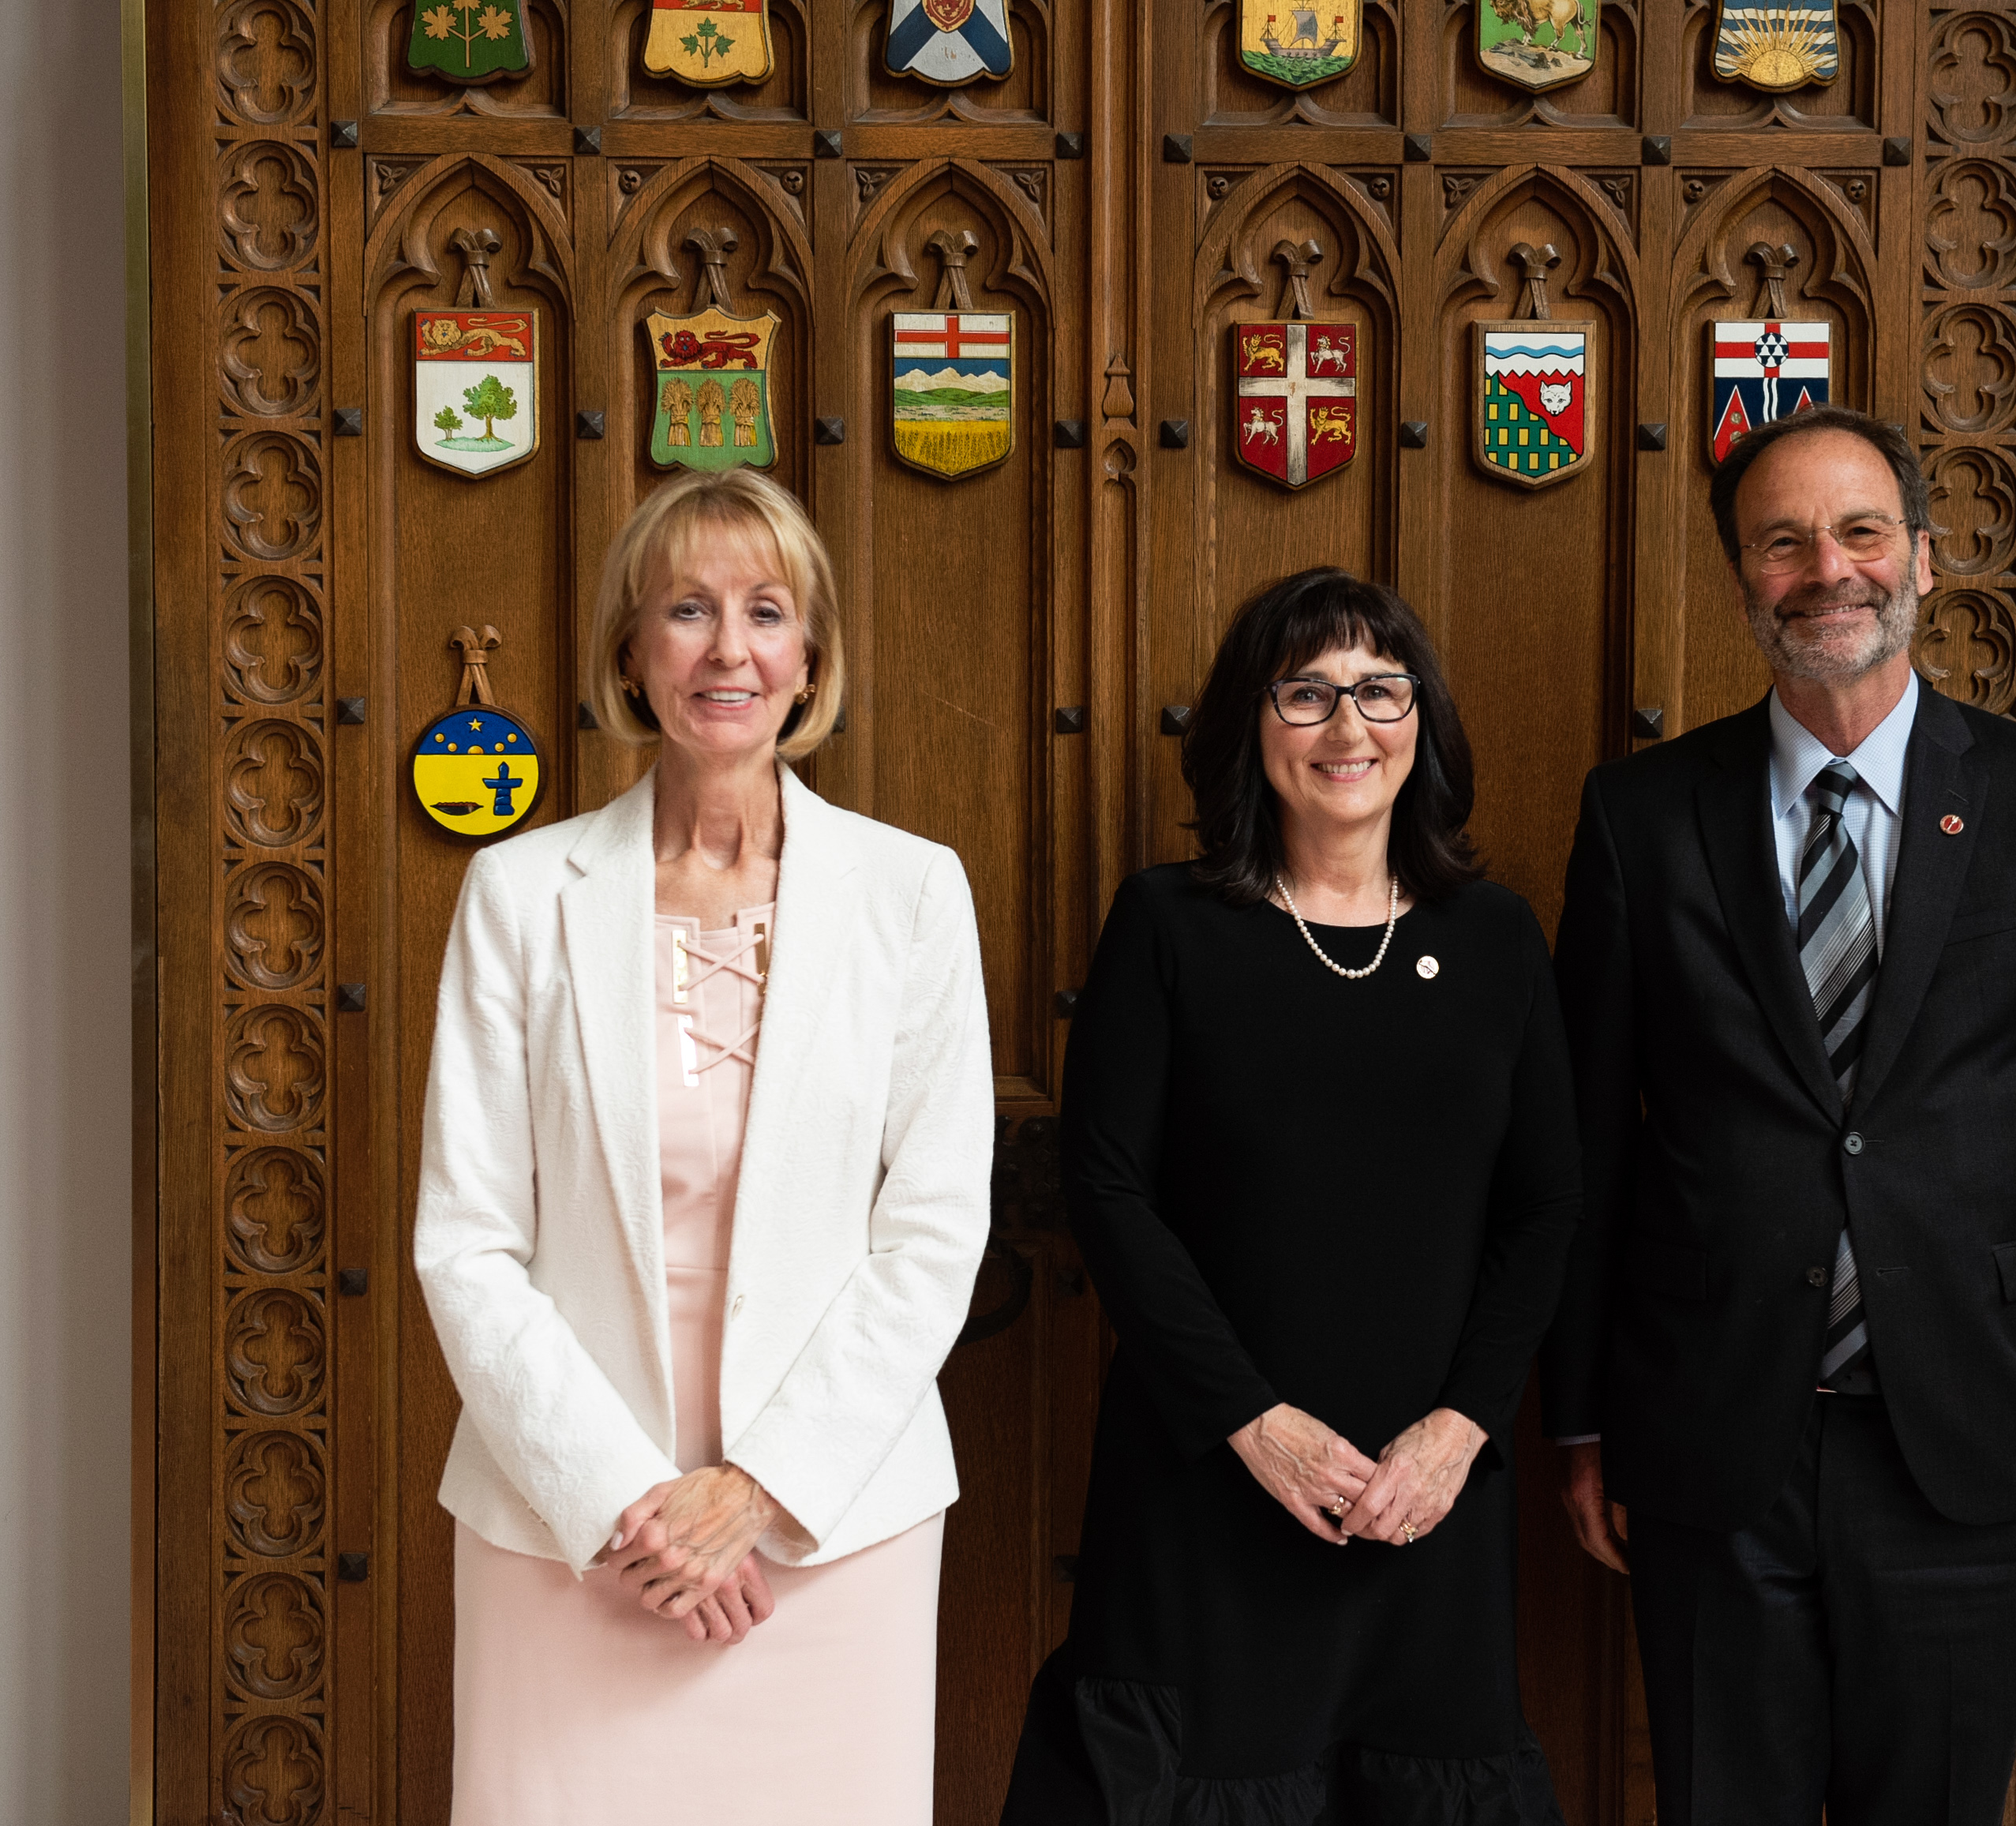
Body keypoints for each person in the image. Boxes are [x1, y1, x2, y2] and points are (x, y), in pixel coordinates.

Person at [1544, 406, 2016, 1823]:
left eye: (1856, 532)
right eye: (1782, 542)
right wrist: (1581, 1415)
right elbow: (1584, 1144)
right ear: (1740, 579)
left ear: (1919, 557)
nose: (1824, 569)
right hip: (1709, 1437)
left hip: (1971, 1432)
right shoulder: (1639, 818)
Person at [413, 468, 992, 1824]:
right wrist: (630, 1502)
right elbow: (468, 1240)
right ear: (631, 649)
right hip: (568, 1539)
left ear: (810, 660)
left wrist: (754, 1492)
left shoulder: (911, 893)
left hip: (831, 1531)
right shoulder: (516, 893)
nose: (727, 648)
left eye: (765, 612)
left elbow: (933, 1230)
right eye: (686, 608)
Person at [1002, 568, 1583, 1825]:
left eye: (1380, 690)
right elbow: (1107, 1187)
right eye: (1306, 692)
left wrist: (1460, 1428)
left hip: (1424, 1501)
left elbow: (1547, 1207)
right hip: (1206, 1482)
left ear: (1420, 719)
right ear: (1247, 725)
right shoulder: (1166, 924)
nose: (1347, 726)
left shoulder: (1495, 938)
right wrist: (1251, 1420)